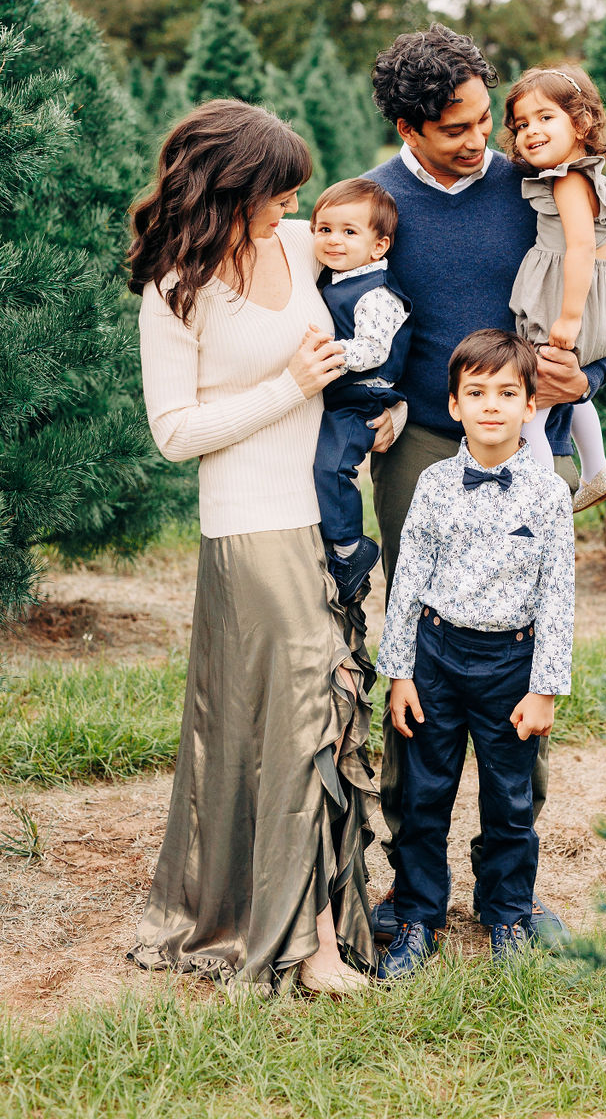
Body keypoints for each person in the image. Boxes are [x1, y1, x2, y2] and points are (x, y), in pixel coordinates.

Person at [364, 24, 606, 946]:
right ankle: (411, 887)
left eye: (487, 118)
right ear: (409, 125)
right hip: (423, 444)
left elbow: (597, 304)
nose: (484, 140)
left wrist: (586, 381)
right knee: (422, 638)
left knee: (522, 630)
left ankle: (512, 890)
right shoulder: (376, 203)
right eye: (459, 129)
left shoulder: (537, 190)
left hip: (534, 436)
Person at [127, 99, 389, 997]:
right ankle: (307, 944)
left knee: (317, 705)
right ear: (226, 188)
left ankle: (322, 915)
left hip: (326, 510)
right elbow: (175, 433)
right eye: (273, 193)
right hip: (248, 521)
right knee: (311, 715)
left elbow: (378, 284)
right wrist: (288, 387)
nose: (289, 209)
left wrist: (381, 404)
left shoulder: (301, 245)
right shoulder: (176, 290)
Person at [375, 330, 575, 979]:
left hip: (510, 666)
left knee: (510, 800)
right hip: (436, 657)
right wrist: (400, 673)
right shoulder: (434, 484)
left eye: (507, 393)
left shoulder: (546, 493)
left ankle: (507, 911)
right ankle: (417, 917)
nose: (492, 406)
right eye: (477, 393)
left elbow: (558, 594)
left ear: (530, 405)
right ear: (455, 406)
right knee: (426, 794)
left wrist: (543, 687)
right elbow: (406, 583)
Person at [505, 65, 606, 511]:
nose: (531, 131)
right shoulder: (595, 178)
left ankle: (542, 502)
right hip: (601, 298)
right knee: (570, 389)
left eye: (545, 117)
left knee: (531, 416)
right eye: (522, 124)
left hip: (568, 300)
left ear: (581, 123)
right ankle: (597, 469)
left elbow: (581, 249)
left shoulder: (565, 179)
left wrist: (568, 317)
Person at [310, 178, 412, 602]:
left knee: (331, 468)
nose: (334, 240)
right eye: (324, 229)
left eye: (349, 232)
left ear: (379, 247)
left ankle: (351, 549)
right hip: (338, 394)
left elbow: (372, 349)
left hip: (362, 398)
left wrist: (326, 352)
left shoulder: (376, 294)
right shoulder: (332, 280)